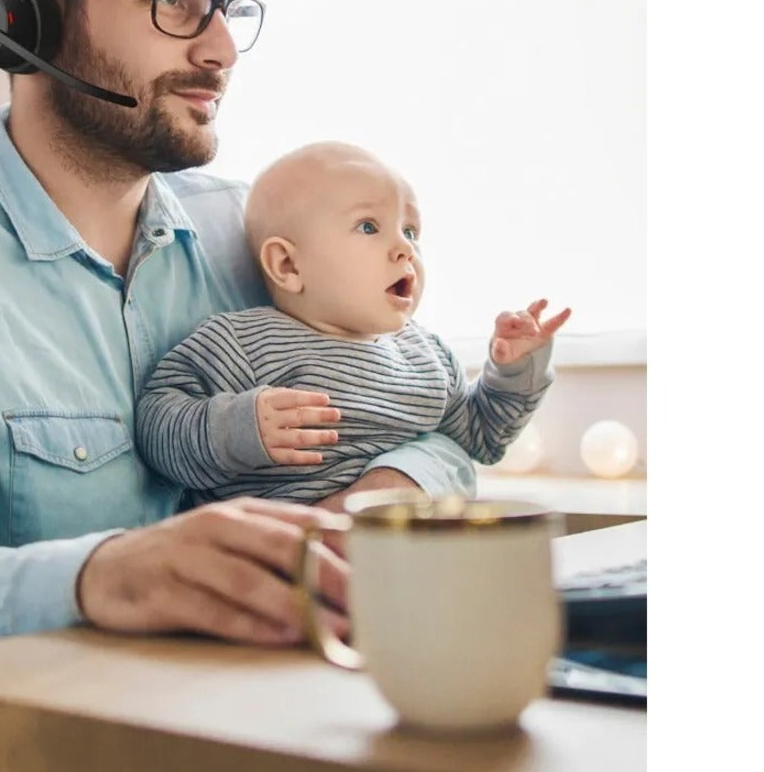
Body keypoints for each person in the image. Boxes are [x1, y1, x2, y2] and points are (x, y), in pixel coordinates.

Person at [0, 0, 476, 663]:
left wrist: (382, 494)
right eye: (176, 2)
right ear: (23, 21)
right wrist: (102, 577)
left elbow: (442, 422)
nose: (220, 50)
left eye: (228, 8)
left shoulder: (260, 239)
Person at [134, 142, 571, 506]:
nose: (404, 249)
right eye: (368, 226)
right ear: (287, 264)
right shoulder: (241, 344)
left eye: (411, 231)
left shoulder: (428, 357)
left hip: (402, 568)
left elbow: (482, 439)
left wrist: (514, 370)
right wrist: (237, 428)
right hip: (275, 572)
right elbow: (156, 424)